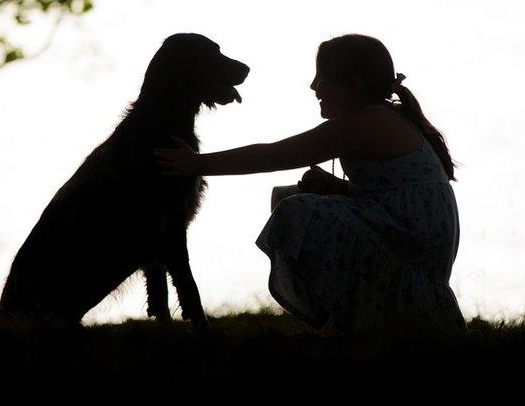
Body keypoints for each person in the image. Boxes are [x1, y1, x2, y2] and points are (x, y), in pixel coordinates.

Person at [154, 33, 466, 337]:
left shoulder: (366, 123)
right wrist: (341, 188)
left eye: (322, 77)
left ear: (352, 86)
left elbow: (273, 155)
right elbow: (395, 194)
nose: (314, 86)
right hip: (412, 237)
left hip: (411, 248)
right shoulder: (380, 117)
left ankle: (362, 321)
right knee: (292, 195)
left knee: (298, 210)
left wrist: (198, 163)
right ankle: (360, 318)